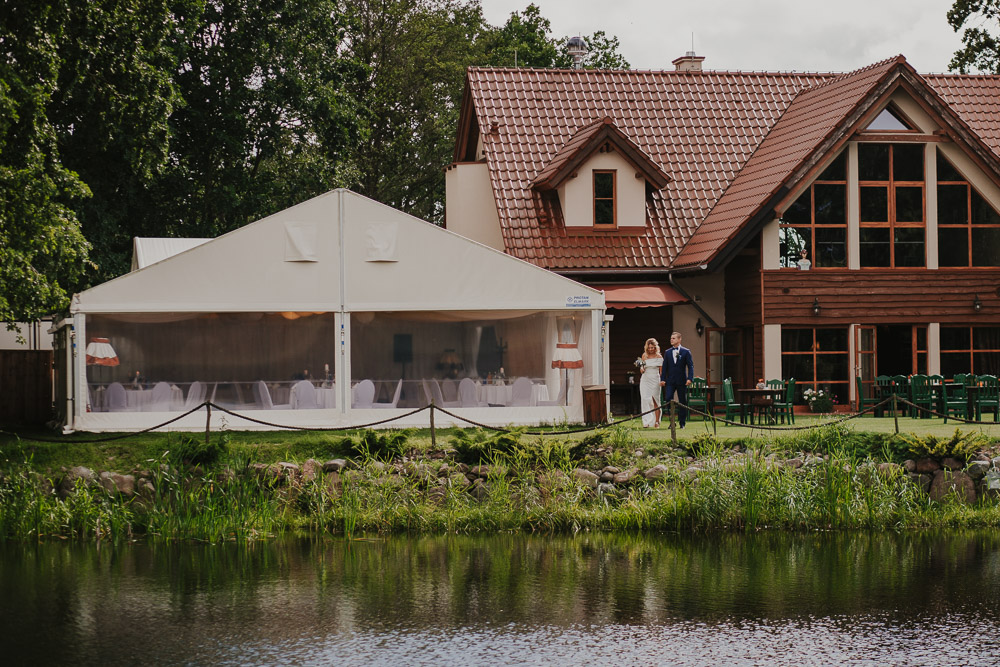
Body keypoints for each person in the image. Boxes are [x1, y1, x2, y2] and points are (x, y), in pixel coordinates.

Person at [660, 331, 695, 428]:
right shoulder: (667, 352)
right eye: (671, 338)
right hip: (670, 381)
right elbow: (665, 367)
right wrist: (662, 379)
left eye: (673, 338)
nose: (671, 340)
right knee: (668, 399)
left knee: (682, 401)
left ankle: (682, 423)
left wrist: (690, 378)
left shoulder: (686, 351)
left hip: (682, 380)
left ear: (679, 339)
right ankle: (672, 421)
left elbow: (690, 366)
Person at [638, 338, 664, 428]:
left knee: (655, 400)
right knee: (645, 399)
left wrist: (662, 380)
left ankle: (657, 421)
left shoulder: (659, 357)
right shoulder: (644, 356)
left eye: (652, 347)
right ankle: (647, 421)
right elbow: (642, 369)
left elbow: (661, 372)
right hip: (645, 379)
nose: (651, 349)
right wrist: (641, 368)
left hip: (655, 379)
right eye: (649, 348)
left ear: (655, 347)